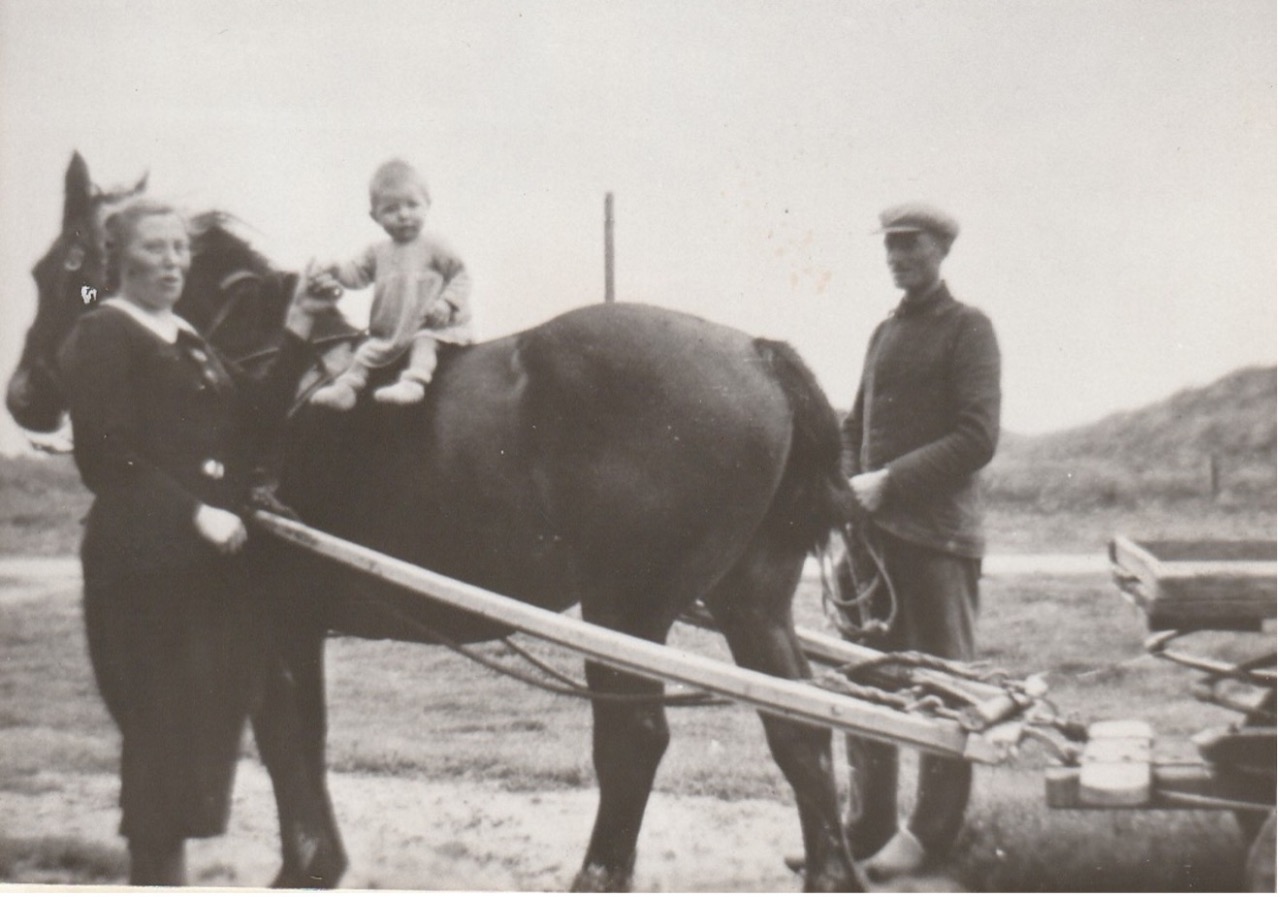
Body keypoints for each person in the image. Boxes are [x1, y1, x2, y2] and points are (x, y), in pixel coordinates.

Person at [57, 197, 337, 886]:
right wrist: (193, 513)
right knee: (161, 748)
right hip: (143, 573)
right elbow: (106, 456)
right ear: (119, 258)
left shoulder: (184, 334)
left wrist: (300, 325)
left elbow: (256, 415)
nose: (173, 262)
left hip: (207, 574)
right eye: (155, 248)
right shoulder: (104, 331)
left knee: (209, 739)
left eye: (181, 248)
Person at [839, 203, 1001, 879]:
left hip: (938, 540)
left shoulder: (969, 328)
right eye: (890, 246)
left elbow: (977, 436)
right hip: (871, 543)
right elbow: (856, 424)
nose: (897, 257)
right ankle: (868, 823)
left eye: (911, 245)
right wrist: (847, 490)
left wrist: (891, 482)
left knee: (943, 686)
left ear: (942, 250)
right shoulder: (885, 331)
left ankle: (930, 834)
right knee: (866, 682)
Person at [308, 158, 474, 410]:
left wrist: (447, 304)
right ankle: (346, 389)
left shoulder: (434, 245)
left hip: (431, 326)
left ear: (427, 204)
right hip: (390, 333)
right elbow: (356, 276)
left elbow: (461, 275)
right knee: (364, 354)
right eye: (391, 209)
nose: (404, 215)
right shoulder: (377, 252)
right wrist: (336, 270)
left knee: (424, 343)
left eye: (412, 205)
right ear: (375, 216)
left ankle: (413, 383)